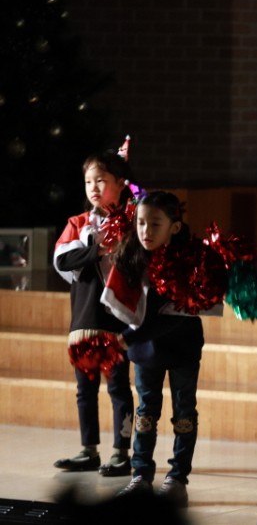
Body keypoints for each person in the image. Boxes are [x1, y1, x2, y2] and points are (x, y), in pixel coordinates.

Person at [107, 191, 209, 507]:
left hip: (182, 347)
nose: (146, 231)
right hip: (146, 350)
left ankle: (177, 479)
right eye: (140, 223)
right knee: (145, 412)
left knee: (184, 412)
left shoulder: (189, 262)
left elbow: (176, 315)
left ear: (174, 228)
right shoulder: (133, 258)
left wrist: (128, 338)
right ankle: (140, 476)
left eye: (155, 224)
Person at [53, 150, 135, 477]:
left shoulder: (133, 222)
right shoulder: (79, 223)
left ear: (120, 183)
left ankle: (121, 452)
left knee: (118, 388)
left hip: (116, 322)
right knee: (85, 389)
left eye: (101, 180)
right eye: (89, 182)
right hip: (85, 321)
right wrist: (97, 249)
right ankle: (88, 450)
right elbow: (62, 260)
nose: (94, 188)